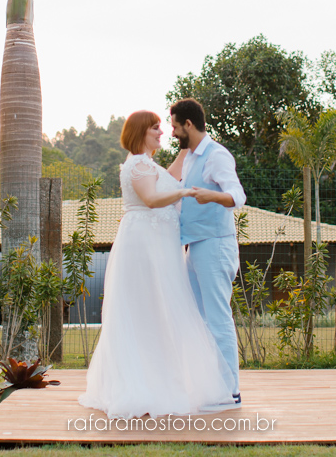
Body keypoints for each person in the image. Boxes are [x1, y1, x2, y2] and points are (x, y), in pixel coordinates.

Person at [77, 110, 235, 418]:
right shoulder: (137, 163)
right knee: (147, 310)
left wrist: (192, 141)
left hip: (158, 246)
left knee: (159, 312)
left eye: (164, 128)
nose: (162, 133)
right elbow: (150, 198)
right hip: (145, 247)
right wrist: (186, 192)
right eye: (155, 129)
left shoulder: (149, 165)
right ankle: (143, 385)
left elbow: (173, 172)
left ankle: (161, 380)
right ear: (140, 133)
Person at [169, 97, 246, 405]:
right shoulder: (188, 156)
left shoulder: (217, 156)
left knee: (217, 319)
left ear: (189, 124)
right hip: (195, 246)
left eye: (175, 126)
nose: (173, 133)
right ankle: (209, 387)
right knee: (198, 319)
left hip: (215, 245)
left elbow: (237, 196)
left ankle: (230, 391)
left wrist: (212, 196)